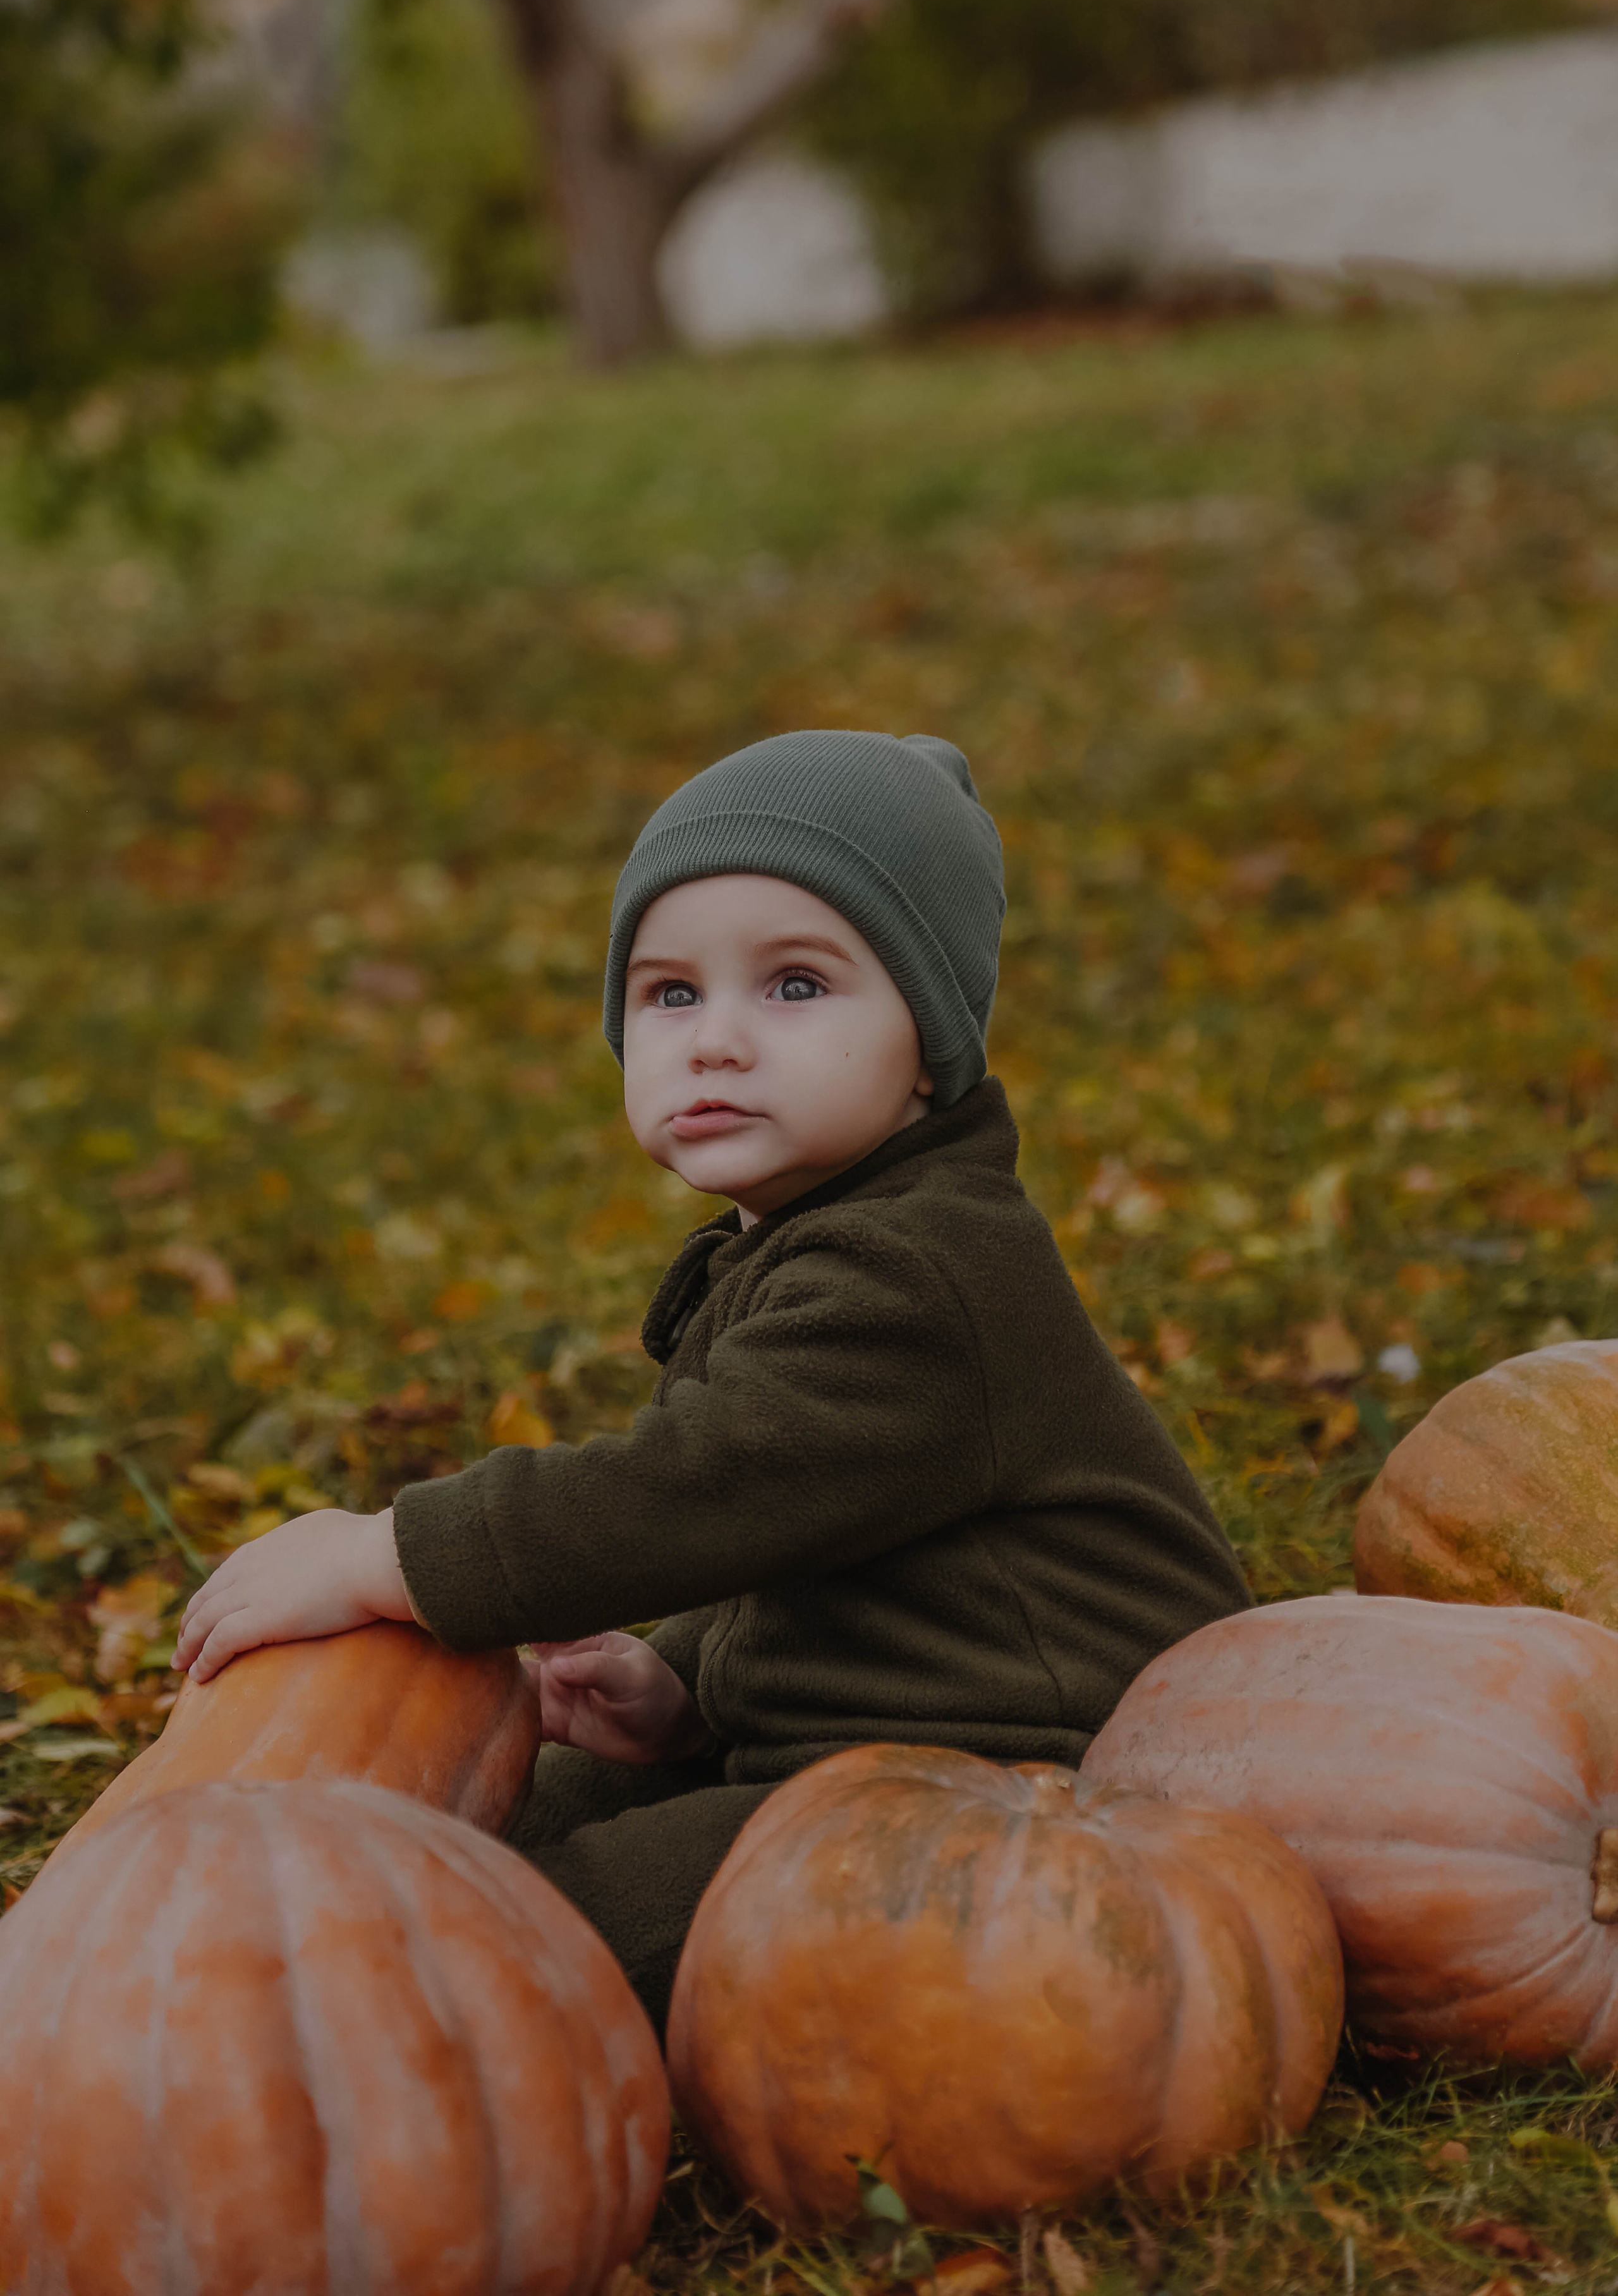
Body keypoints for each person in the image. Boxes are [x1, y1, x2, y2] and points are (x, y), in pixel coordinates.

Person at [175, 729, 1250, 2031]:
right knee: (509, 1808)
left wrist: (390, 1556)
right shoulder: (821, 1235)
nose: (717, 1042)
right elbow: (816, 1535)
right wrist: (686, 1689)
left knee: (524, 1930)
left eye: (795, 986)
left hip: (1027, 1790)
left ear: (929, 1039)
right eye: (670, 994)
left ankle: (359, 2028)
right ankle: (307, 1948)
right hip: (863, 1735)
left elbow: (699, 1489)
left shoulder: (921, 1273)